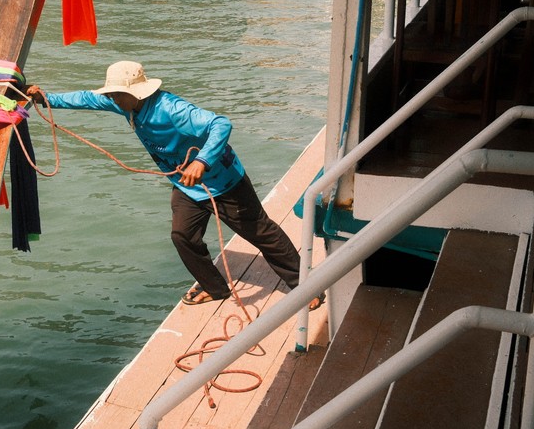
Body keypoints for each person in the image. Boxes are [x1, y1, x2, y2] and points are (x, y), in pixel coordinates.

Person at [27, 61, 322, 309]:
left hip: (223, 181)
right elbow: (87, 99)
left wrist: (202, 161)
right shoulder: (126, 105)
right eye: (112, 94)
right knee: (183, 236)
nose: (112, 99)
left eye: (117, 94)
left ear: (135, 93)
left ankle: (306, 286)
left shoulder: (173, 109)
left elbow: (221, 124)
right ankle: (216, 288)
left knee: (261, 232)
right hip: (186, 186)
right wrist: (47, 98)